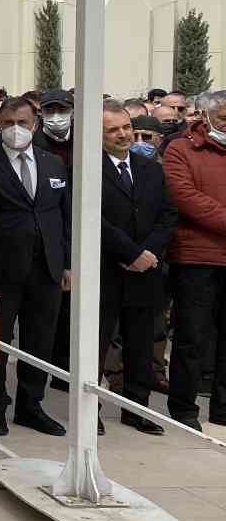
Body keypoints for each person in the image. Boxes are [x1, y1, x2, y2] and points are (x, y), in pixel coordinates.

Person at [0, 96, 71, 437]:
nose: (16, 129)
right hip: (0, 270)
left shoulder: (54, 164)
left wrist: (67, 264)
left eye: (23, 123)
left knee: (39, 340)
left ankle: (31, 406)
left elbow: (65, 217)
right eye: (9, 122)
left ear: (35, 124)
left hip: (47, 269)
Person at [97, 104, 175, 435]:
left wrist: (149, 252)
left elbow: (168, 215)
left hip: (147, 271)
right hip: (107, 269)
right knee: (97, 344)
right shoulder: (88, 170)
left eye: (126, 127)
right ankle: (91, 409)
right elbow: (95, 219)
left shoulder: (151, 169)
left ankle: (136, 408)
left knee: (142, 345)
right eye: (113, 129)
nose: (124, 134)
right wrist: (130, 252)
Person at [162, 89, 226, 428]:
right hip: (196, 256)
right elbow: (184, 195)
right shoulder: (181, 149)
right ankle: (184, 408)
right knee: (191, 335)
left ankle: (223, 407)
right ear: (206, 117)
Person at [37, 88, 75, 165]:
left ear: (73, 112)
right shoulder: (33, 142)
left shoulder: (82, 140)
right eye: (49, 110)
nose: (55, 116)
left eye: (62, 110)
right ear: (41, 113)